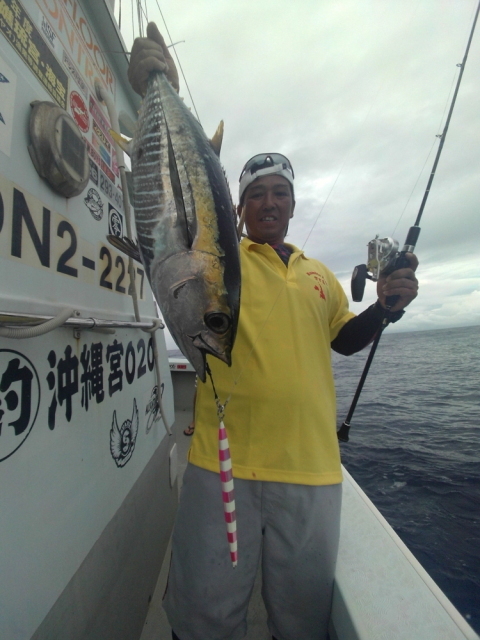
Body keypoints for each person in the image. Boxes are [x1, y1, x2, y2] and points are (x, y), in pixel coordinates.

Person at [128, 24, 419, 640]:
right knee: (205, 615)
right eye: (255, 194)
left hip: (312, 470)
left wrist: (386, 309)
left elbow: (343, 338)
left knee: (300, 619)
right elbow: (175, 207)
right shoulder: (222, 263)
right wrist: (152, 91)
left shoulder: (318, 277)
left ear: (292, 202)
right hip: (221, 463)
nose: (268, 203)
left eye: (279, 193)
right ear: (236, 209)